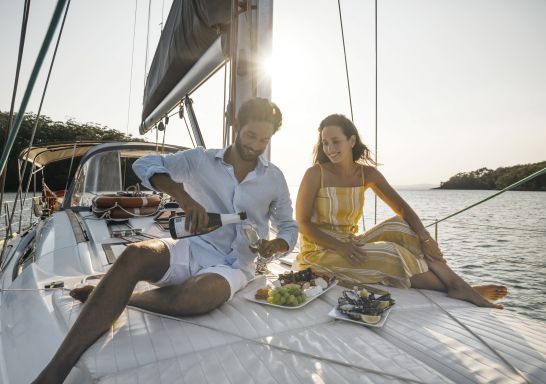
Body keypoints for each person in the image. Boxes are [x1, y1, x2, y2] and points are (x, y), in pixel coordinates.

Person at [32, 98, 298, 384]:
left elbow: (288, 227)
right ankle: (55, 370)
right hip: (194, 246)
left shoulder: (274, 178)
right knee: (135, 254)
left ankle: (123, 297)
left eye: (264, 140)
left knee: (200, 294)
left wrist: (277, 245)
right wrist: (183, 196)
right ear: (236, 126)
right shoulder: (200, 160)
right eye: (251, 136)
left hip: (236, 263)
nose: (256, 146)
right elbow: (145, 164)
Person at [295, 114, 507, 308]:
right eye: (325, 143)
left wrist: (425, 238)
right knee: (390, 252)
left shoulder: (366, 174)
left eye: (335, 142)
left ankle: (457, 284)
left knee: (400, 225)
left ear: (351, 141)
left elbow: (402, 208)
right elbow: (303, 223)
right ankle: (460, 289)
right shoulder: (315, 174)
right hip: (320, 253)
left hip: (350, 243)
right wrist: (339, 246)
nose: (330, 148)